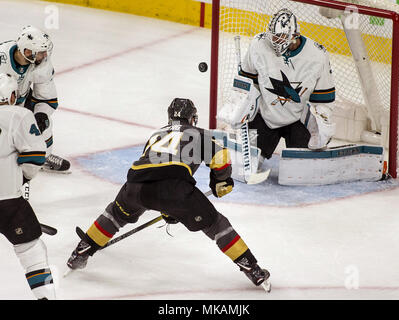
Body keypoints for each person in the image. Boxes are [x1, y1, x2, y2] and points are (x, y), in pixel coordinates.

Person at [66, 98, 271, 291]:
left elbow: (154, 167)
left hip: (135, 184)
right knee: (216, 225)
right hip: (174, 188)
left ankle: (82, 250)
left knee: (115, 214)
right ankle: (252, 268)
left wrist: (167, 207)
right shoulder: (199, 132)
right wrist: (221, 181)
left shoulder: (156, 135)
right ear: (192, 118)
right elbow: (221, 157)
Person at [236, 8, 336, 164]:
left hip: (298, 120)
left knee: (300, 168)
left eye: (280, 37)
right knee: (248, 164)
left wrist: (323, 128)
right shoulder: (259, 44)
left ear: (295, 36)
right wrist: (240, 108)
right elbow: (247, 83)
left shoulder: (317, 55)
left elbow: (324, 99)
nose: (275, 41)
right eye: (273, 36)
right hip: (265, 116)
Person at [0, 73, 56, 299]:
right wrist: (23, 178)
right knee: (31, 250)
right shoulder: (18, 115)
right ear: (12, 95)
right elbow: (35, 156)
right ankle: (45, 297)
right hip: (7, 202)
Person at [0, 25, 70, 172]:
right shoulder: (2, 59)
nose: (44, 56)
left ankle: (44, 156)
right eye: (40, 53)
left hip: (21, 100)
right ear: (27, 51)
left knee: (44, 123)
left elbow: (46, 97)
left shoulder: (41, 65)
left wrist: (41, 114)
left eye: (45, 52)